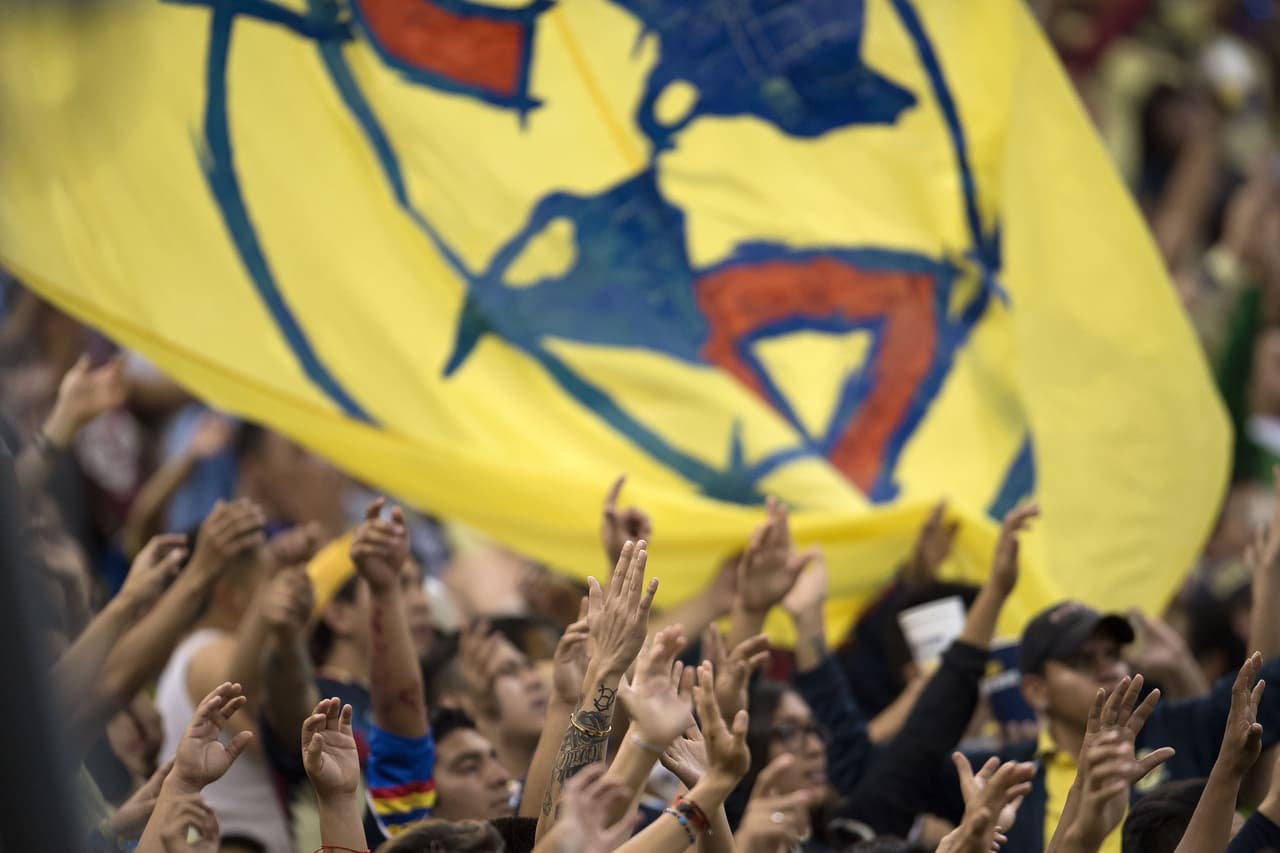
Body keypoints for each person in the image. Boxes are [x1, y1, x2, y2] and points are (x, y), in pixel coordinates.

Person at [154, 499, 316, 853]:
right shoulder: (210, 651)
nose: (277, 593)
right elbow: (287, 741)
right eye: (266, 582)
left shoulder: (191, 653)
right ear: (231, 596)